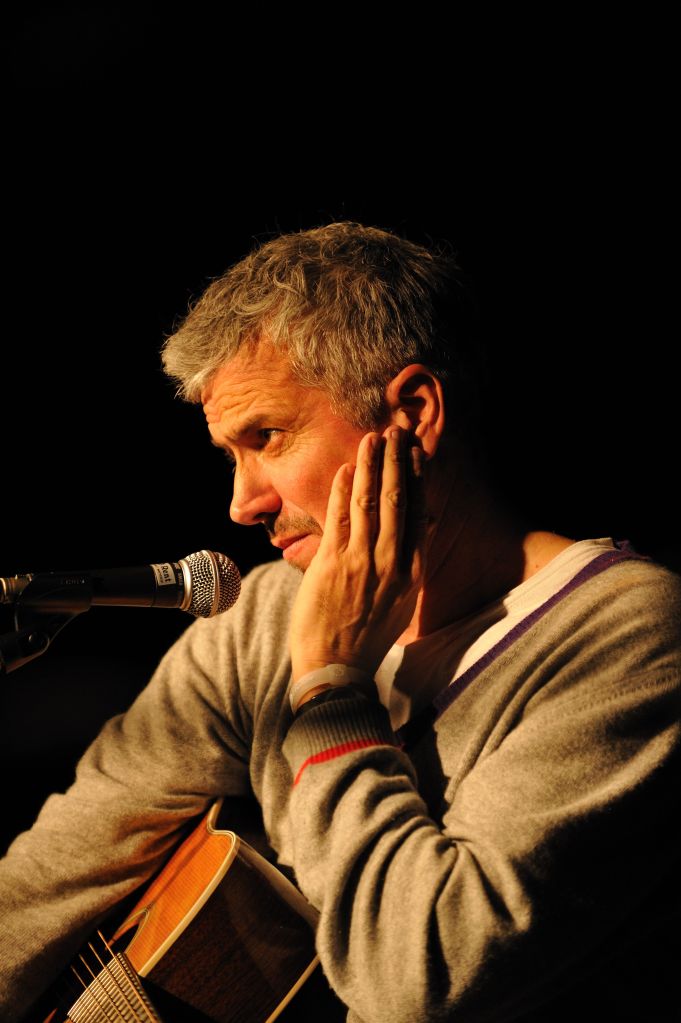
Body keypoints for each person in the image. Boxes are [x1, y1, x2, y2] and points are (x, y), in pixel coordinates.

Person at [1, 221, 679, 1022]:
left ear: (413, 414)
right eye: (230, 455)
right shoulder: (259, 616)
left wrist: (329, 684)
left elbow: (415, 977)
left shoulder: (630, 634)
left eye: (268, 437)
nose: (241, 503)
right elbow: (57, 873)